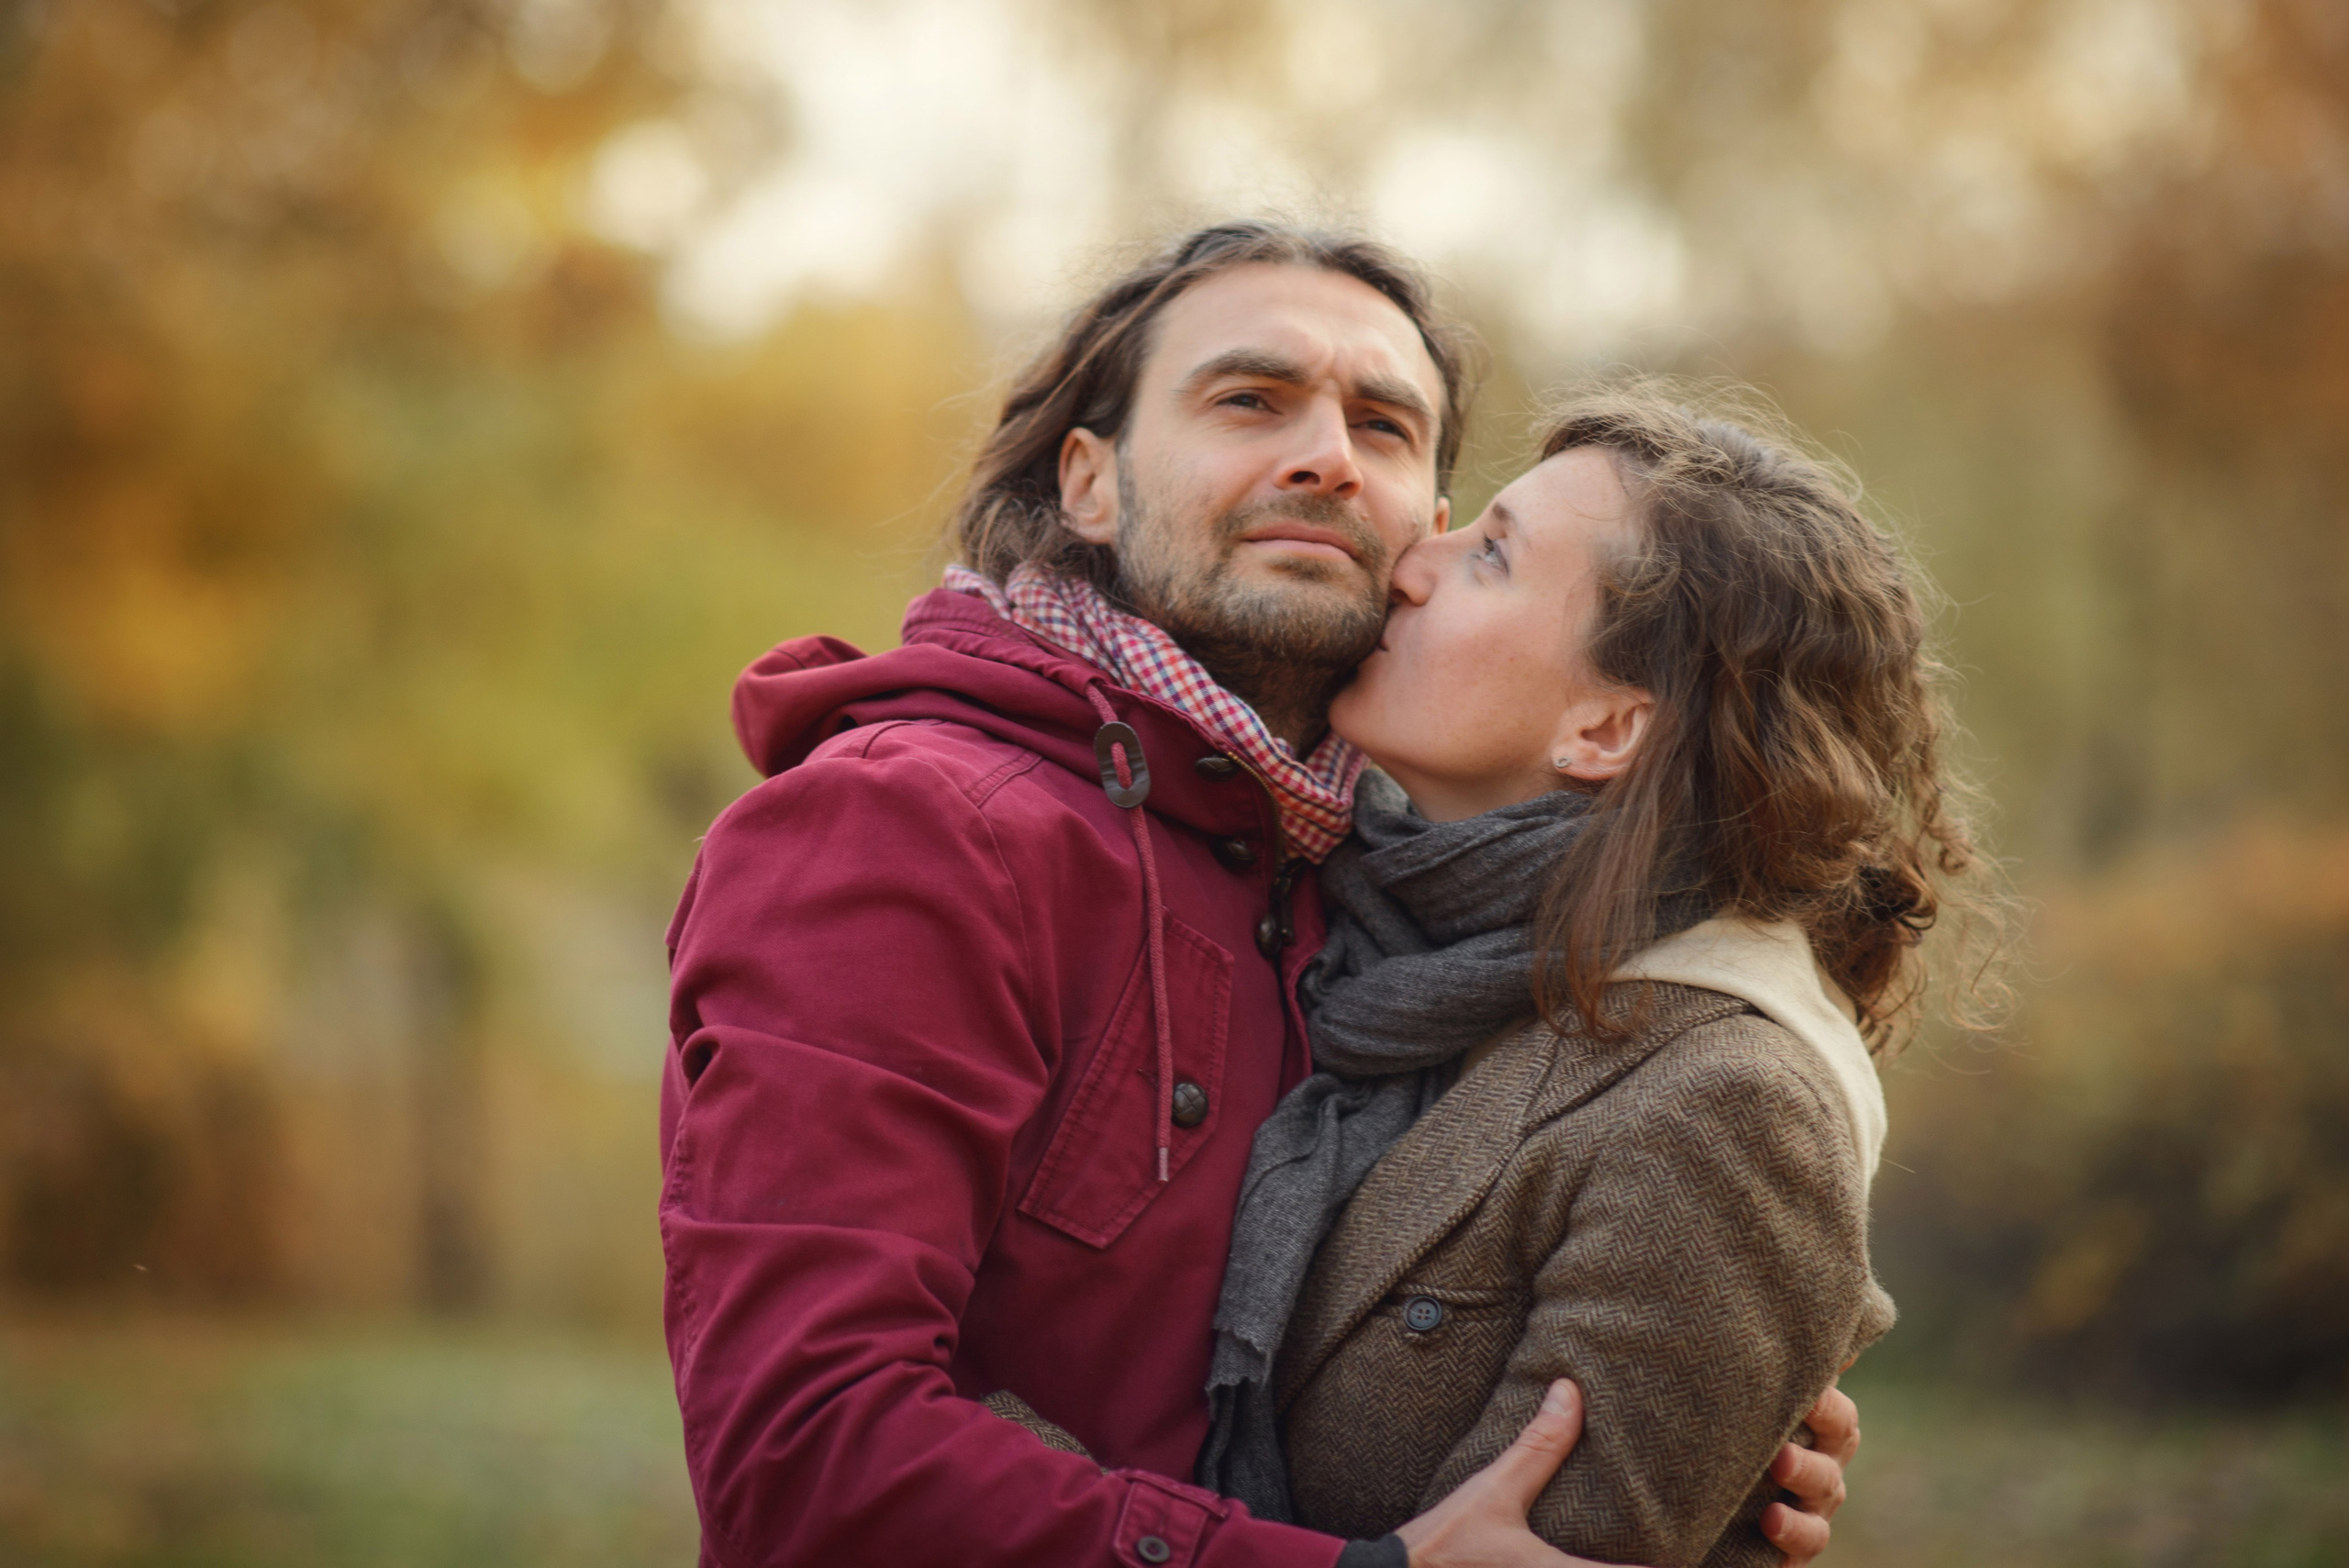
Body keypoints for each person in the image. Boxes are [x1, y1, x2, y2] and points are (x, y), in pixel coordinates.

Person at [658, 223, 1861, 1568]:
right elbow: (803, 1460)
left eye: (1384, 427)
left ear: (1423, 535)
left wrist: (1708, 1405)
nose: (1328, 456)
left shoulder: (1383, 900)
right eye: (1249, 398)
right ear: (1089, 482)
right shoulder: (903, 830)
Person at [1202, 388, 1998, 1565]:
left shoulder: (1727, 1103)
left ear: (1608, 729)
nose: (1410, 564)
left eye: (1491, 557)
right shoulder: (1345, 928)